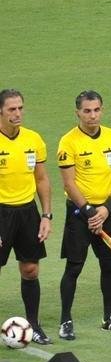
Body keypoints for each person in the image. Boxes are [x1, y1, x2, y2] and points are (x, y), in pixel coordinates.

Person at [56, 91, 111, 339]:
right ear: (77, 112)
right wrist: (90, 212)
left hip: (107, 212)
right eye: (87, 111)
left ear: (102, 110)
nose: (92, 115)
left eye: (97, 110)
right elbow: (69, 183)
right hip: (80, 214)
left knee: (109, 265)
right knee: (74, 266)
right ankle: (65, 321)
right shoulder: (68, 142)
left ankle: (109, 318)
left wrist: (107, 207)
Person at [0, 89, 54, 344]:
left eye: (20, 108)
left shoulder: (33, 139)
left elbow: (41, 179)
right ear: (1, 111)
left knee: (31, 269)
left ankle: (34, 325)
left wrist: (46, 215)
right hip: (1, 212)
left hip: (27, 212)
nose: (18, 113)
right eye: (12, 109)